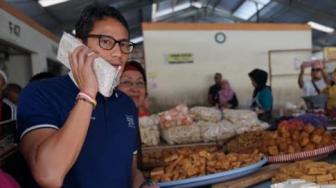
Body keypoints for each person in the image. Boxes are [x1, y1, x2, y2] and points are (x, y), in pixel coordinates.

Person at [17, 4, 156, 188]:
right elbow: (49, 175)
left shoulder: (125, 104)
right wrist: (88, 93)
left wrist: (142, 185)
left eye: (124, 44)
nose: (118, 53)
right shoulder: (40, 93)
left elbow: (129, 170)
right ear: (79, 45)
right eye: (106, 41)